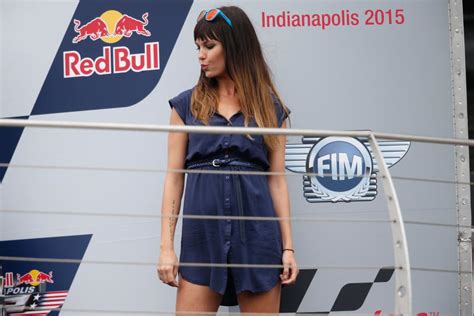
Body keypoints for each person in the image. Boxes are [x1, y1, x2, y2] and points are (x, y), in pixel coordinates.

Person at [157, 6, 298, 314]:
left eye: (209, 46)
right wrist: (166, 248)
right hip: (201, 240)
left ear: (234, 46)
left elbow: (276, 181)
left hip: (259, 240)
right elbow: (174, 177)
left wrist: (288, 248)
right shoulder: (185, 106)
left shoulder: (272, 110)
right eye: (198, 47)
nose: (201, 55)